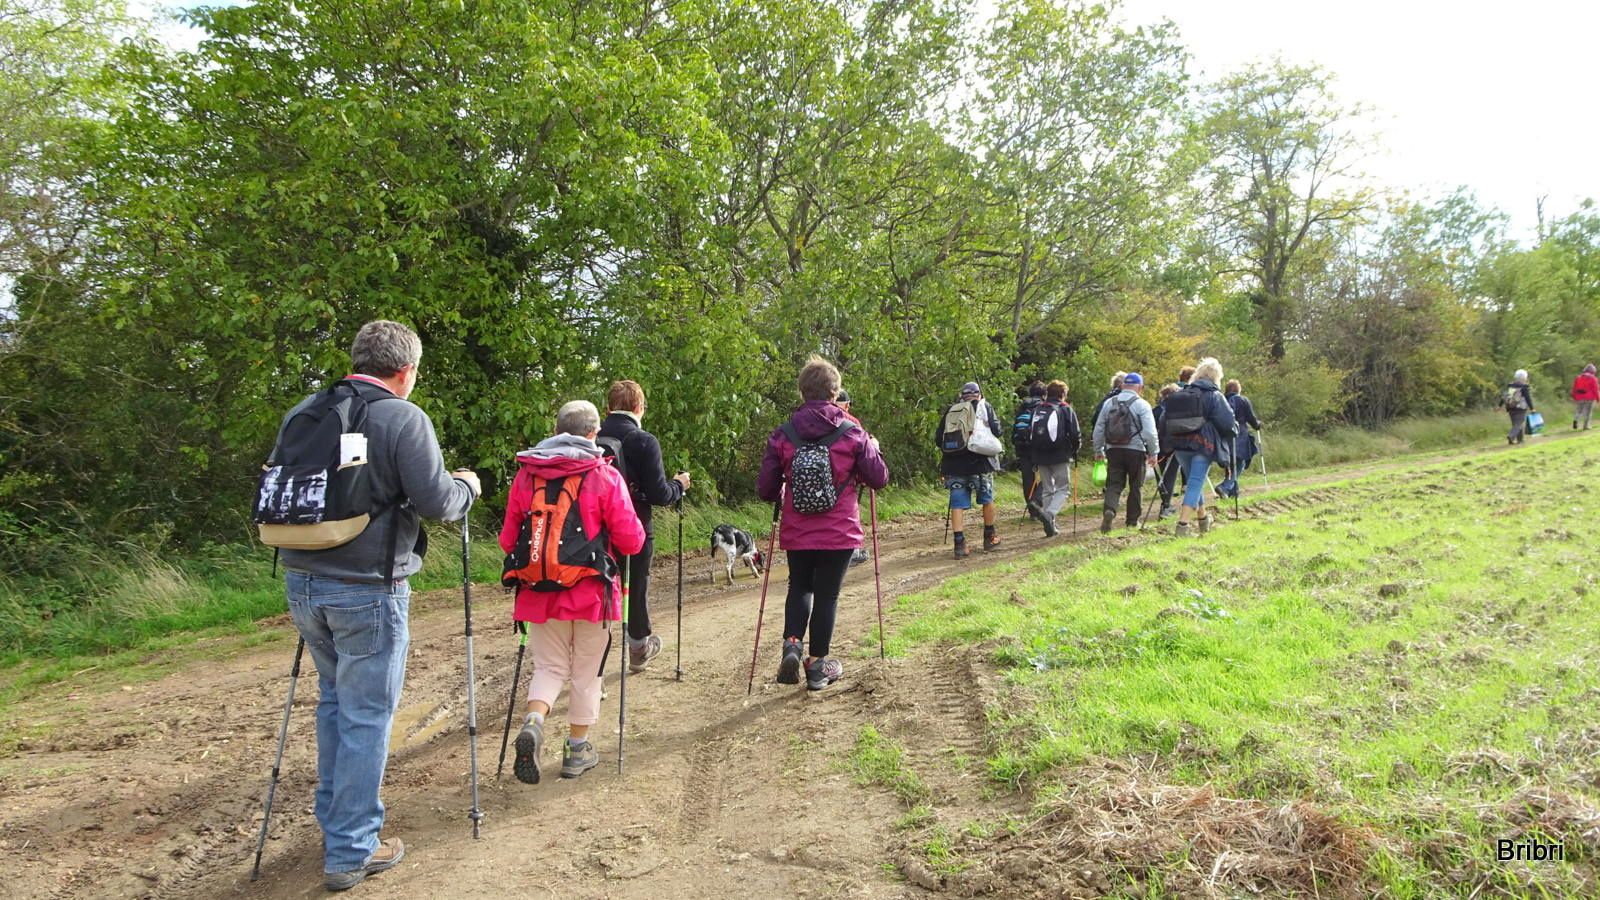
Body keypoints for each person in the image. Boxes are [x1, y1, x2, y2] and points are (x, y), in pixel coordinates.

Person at [273, 320, 480, 892]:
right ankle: (350, 849)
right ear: (406, 370)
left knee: (335, 703)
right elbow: (438, 502)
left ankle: (336, 825)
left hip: (302, 578)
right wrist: (468, 485)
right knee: (366, 714)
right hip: (367, 586)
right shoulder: (402, 417)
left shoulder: (306, 410)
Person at [506, 401, 646, 785]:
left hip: (538, 591)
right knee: (587, 671)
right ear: (593, 434)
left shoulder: (527, 476)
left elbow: (508, 539)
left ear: (556, 431)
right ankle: (576, 750)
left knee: (549, 668)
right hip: (592, 593)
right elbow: (632, 540)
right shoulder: (603, 475)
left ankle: (534, 721)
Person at [757, 356, 889, 690]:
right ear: (835, 392)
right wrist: (873, 450)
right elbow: (879, 479)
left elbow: (766, 489)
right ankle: (817, 667)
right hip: (839, 530)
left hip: (798, 528)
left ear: (802, 392)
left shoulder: (784, 434)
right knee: (827, 595)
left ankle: (792, 643)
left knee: (799, 585)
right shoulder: (853, 432)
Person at [598, 380, 691, 672]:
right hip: (634, 526)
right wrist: (679, 485)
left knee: (597, 588)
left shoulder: (591, 436)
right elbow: (659, 495)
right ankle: (638, 650)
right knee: (635, 587)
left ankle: (593, 659)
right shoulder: (644, 441)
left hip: (594, 527)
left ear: (608, 408)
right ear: (640, 407)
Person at [1165, 358, 1236, 537]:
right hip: (1202, 445)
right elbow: (1227, 422)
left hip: (1180, 445)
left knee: (1194, 480)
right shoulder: (1214, 395)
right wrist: (1233, 431)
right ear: (1216, 377)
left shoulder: (1182, 393)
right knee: (1195, 482)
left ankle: (1203, 519)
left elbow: (1164, 419)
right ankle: (1182, 526)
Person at [938, 381, 1004, 559]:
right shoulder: (984, 407)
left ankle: (959, 544)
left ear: (962, 396)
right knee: (987, 500)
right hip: (981, 464)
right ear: (978, 395)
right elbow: (998, 431)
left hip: (954, 466)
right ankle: (990, 537)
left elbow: (939, 439)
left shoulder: (952, 410)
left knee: (957, 504)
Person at [1091, 372, 1159, 532]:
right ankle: (1132, 521)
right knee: (1136, 485)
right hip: (1136, 450)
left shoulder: (1109, 403)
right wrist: (1153, 452)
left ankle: (1110, 510)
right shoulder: (1142, 405)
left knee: (1114, 484)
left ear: (1122, 386)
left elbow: (1099, 428)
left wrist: (1098, 450)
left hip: (1113, 449)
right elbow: (1150, 432)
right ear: (1140, 387)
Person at [1026, 380, 1080, 537]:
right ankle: (1049, 514)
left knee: (1047, 490)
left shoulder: (1038, 409)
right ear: (1062, 394)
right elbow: (1075, 434)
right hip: (1060, 455)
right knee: (1063, 489)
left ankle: (1050, 526)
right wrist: (1075, 450)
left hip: (1040, 456)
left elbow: (1030, 432)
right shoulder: (1065, 409)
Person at [1156, 366, 1195, 519]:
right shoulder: (1172, 410)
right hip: (1172, 447)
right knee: (1170, 476)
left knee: (1163, 477)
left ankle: (1165, 504)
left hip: (1159, 447)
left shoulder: (1157, 409)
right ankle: (1165, 507)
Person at [1220, 379, 1264, 498]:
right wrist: (1257, 425)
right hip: (1239, 436)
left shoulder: (1221, 400)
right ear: (1238, 390)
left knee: (1231, 465)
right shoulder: (1242, 400)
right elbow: (1251, 418)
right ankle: (1224, 486)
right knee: (1240, 464)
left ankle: (1232, 493)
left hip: (1224, 437)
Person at [1012, 382, 1047, 519]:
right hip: (1039, 447)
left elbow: (1016, 427)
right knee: (1048, 476)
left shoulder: (1023, 406)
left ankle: (1033, 512)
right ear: (1044, 394)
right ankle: (1036, 501)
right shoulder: (1043, 406)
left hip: (1022, 447)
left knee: (1028, 479)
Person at [1088, 372, 1127, 443]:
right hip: (1124, 440)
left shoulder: (1107, 398)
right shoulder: (1125, 399)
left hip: (1107, 440)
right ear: (1122, 384)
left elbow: (1096, 418)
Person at [1503, 369, 1535, 445]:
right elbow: (1527, 398)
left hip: (1510, 407)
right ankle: (1511, 436)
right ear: (1524, 378)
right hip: (1521, 408)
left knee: (1516, 424)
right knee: (1519, 424)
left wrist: (1499, 405)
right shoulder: (1524, 387)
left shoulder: (1511, 386)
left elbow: (1505, 396)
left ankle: (1519, 440)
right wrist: (1532, 408)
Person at [1572, 365, 1598, 430]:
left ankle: (1576, 420)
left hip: (1579, 397)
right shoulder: (1593, 378)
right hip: (1589, 397)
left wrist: (1574, 396)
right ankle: (1586, 426)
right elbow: (1595, 389)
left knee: (1579, 411)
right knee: (1588, 412)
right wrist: (1598, 398)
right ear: (1593, 371)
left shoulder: (1578, 378)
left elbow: (1574, 388)